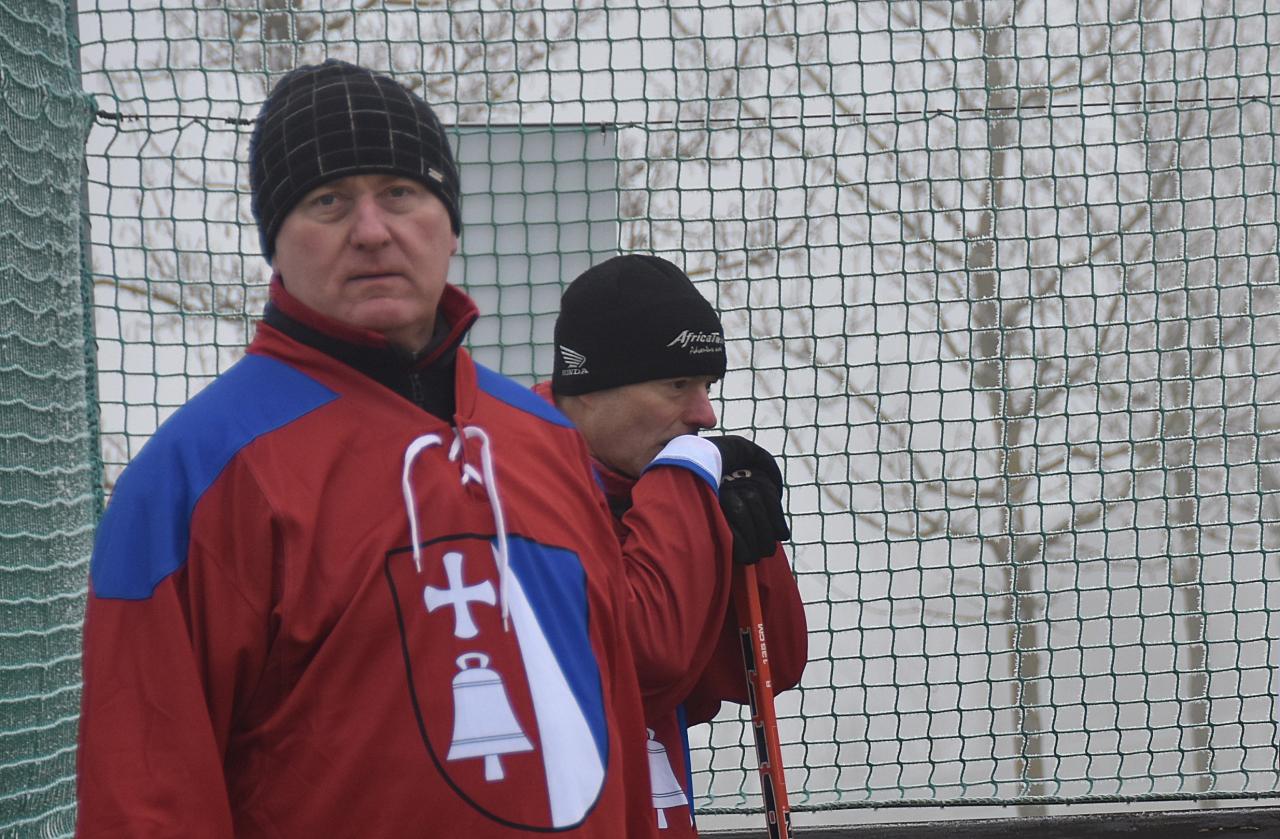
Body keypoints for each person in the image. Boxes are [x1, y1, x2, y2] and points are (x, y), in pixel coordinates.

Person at [76, 60, 723, 838]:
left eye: (400, 192)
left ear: (449, 223)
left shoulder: (545, 438)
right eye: (327, 200)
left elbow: (613, 712)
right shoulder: (191, 479)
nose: (372, 229)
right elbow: (145, 802)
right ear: (274, 239)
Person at [538, 254, 809, 835]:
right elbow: (645, 661)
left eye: (706, 386)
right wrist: (684, 480)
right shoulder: (518, 477)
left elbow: (769, 666)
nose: (705, 415)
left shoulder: (653, 486)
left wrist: (751, 539)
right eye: (677, 385)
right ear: (590, 388)